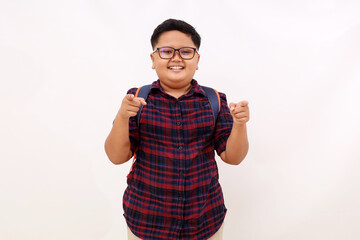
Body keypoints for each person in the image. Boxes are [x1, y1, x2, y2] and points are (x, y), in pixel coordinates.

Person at [105, 19, 250, 240]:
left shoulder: (215, 100)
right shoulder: (137, 99)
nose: (176, 58)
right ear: (153, 59)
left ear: (197, 60)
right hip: (146, 223)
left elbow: (233, 157)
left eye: (185, 51)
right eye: (166, 51)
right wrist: (122, 115)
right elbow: (116, 157)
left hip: (205, 222)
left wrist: (240, 124)